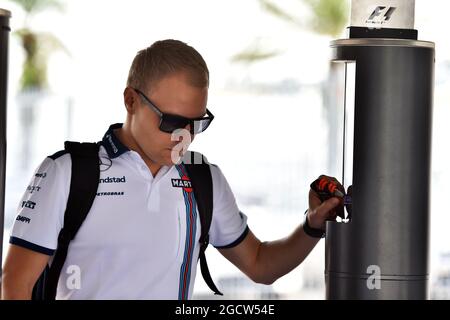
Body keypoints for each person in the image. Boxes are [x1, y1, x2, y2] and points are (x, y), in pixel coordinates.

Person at [1, 39, 342, 299]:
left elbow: (261, 266)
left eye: (197, 123)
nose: (184, 136)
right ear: (130, 100)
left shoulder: (203, 178)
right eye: (172, 121)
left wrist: (313, 225)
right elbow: (15, 285)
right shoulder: (66, 173)